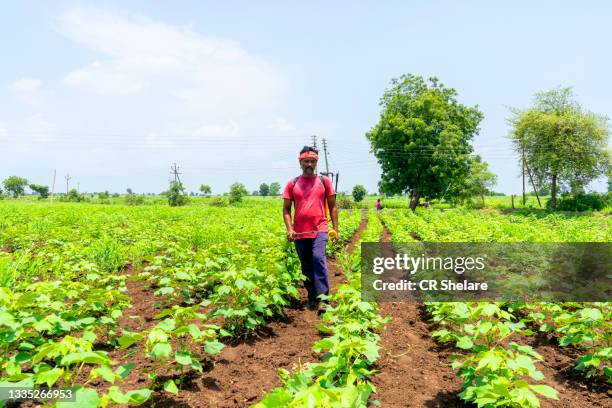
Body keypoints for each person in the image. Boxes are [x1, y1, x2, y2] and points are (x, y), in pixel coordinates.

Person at [282, 146, 338, 313]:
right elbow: (286, 209)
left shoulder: (324, 182)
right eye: (306, 161)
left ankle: (323, 300)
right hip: (299, 232)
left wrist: (336, 229)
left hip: (320, 228)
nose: (309, 164)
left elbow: (333, 207)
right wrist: (290, 229)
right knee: (306, 266)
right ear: (300, 162)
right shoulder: (292, 184)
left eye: (312, 161)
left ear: (316, 163)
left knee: (318, 259)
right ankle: (312, 297)